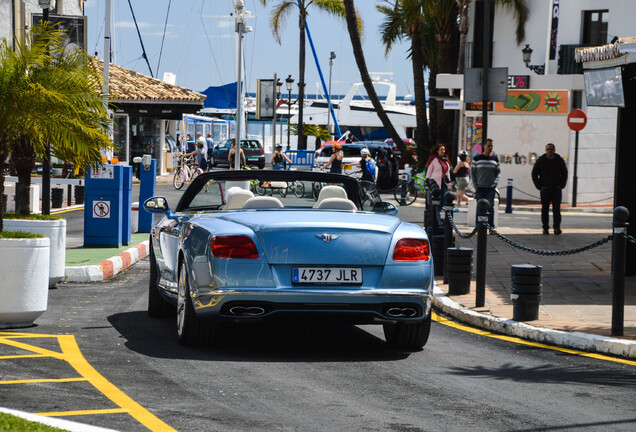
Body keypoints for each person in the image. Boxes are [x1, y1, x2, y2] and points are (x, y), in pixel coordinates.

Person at [531, 143, 568, 235]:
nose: (550, 151)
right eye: (548, 149)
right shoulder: (541, 160)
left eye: (551, 149)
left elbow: (564, 173)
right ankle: (545, 228)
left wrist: (562, 185)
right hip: (545, 189)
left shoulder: (559, 160)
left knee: (556, 209)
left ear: (555, 150)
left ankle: (556, 227)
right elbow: (534, 174)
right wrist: (539, 186)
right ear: (545, 151)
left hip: (556, 189)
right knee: (545, 209)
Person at [471, 138, 500, 227]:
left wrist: (495, 184)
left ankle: (491, 226)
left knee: (490, 207)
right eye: (488, 145)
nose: (490, 147)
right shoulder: (477, 158)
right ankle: (479, 226)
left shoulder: (495, 159)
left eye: (491, 145)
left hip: (490, 188)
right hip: (480, 187)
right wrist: (475, 185)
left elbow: (498, 173)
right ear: (484, 146)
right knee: (479, 207)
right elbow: (473, 173)